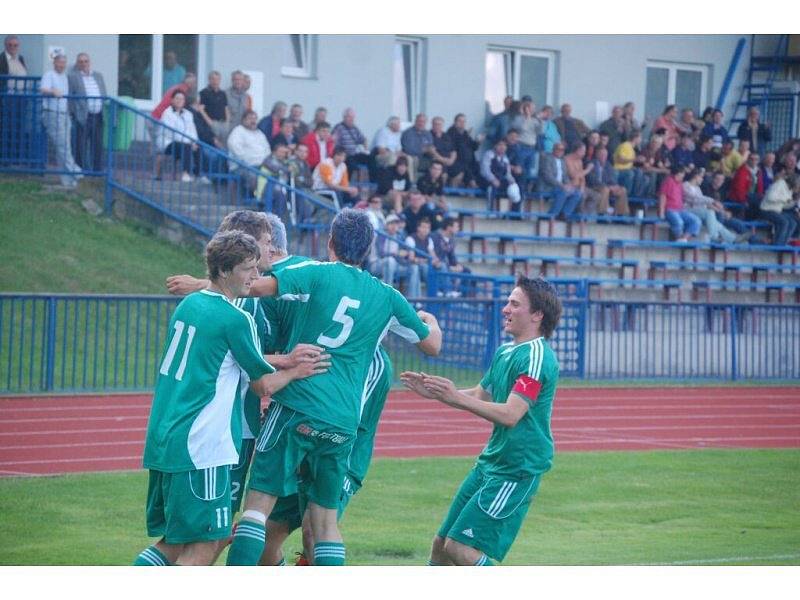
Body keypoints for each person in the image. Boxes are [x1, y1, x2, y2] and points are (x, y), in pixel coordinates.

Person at [225, 209, 442, 567]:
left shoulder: (315, 272)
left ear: (330, 243)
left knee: (256, 510)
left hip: (296, 405)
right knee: (325, 525)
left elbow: (254, 286)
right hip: (342, 420)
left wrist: (202, 286)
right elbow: (431, 346)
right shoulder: (387, 296)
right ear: (369, 249)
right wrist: (432, 324)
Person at [134, 230, 325, 567]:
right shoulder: (237, 319)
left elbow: (224, 359)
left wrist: (282, 361)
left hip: (167, 436)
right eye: (248, 268)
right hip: (200, 446)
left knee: (177, 543)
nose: (256, 276)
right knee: (202, 547)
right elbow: (263, 386)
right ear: (224, 271)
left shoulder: (190, 304)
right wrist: (296, 371)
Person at [401, 275, 562, 566]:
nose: (505, 309)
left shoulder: (537, 357)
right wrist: (437, 393)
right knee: (441, 544)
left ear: (537, 315)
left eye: (515, 304)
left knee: (461, 549)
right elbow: (480, 393)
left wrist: (453, 396)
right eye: (507, 302)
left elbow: (512, 414)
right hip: (491, 462)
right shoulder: (505, 351)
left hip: (516, 468)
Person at [39, 52, 81, 188]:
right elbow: (42, 89)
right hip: (52, 114)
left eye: (64, 62)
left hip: (64, 114)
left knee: (63, 147)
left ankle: (67, 181)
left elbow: (78, 66)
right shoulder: (49, 74)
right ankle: (77, 172)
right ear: (54, 63)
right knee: (63, 146)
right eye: (59, 62)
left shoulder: (65, 76)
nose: (62, 65)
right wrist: (52, 92)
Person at [682, 168, 743, 244]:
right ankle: (714, 237)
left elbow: (703, 203)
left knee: (716, 223)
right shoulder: (685, 185)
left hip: (698, 211)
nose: (702, 179)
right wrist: (713, 201)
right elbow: (694, 199)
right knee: (709, 212)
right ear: (696, 176)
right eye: (701, 177)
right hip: (686, 210)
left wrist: (719, 209)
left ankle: (733, 239)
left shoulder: (697, 188)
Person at [68, 53, 106, 172]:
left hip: (98, 115)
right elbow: (70, 97)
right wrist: (74, 113)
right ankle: (81, 170)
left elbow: (103, 93)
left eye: (86, 61)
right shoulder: (73, 77)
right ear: (77, 63)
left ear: (89, 62)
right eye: (81, 61)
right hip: (83, 116)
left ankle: (96, 171)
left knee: (97, 144)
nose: (83, 64)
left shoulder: (98, 76)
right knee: (80, 145)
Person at [371, 213, 422, 298]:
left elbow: (402, 255)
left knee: (414, 267)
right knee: (390, 261)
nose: (394, 226)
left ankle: (414, 300)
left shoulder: (399, 237)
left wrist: (406, 255)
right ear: (386, 225)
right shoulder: (381, 235)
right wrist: (395, 253)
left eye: (396, 224)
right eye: (391, 223)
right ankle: (388, 296)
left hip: (395, 265)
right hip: (377, 264)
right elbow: (381, 253)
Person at [226, 110, 270, 197]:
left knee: (275, 177)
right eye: (250, 118)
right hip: (242, 166)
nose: (253, 121)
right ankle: (260, 199)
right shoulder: (238, 131)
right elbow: (234, 146)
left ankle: (264, 198)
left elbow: (267, 150)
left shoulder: (260, 133)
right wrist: (247, 159)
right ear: (243, 120)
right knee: (255, 177)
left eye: (255, 119)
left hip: (261, 166)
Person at [158, 90, 199, 182]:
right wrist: (189, 142)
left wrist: (194, 142)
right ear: (172, 100)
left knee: (199, 147)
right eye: (177, 98)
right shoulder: (167, 113)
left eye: (182, 99)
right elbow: (171, 133)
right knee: (186, 146)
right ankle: (185, 174)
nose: (180, 100)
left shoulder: (189, 114)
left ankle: (198, 174)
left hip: (185, 143)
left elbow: (192, 130)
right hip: (168, 142)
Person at [538, 142, 582, 219]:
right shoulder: (547, 159)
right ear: (554, 149)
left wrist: (569, 185)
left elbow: (564, 176)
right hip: (549, 186)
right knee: (563, 192)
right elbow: (548, 176)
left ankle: (564, 214)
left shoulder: (562, 161)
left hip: (560, 186)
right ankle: (552, 215)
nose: (561, 151)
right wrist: (562, 185)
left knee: (577, 193)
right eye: (559, 149)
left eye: (563, 150)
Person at [658, 165, 700, 242]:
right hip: (670, 209)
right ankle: (679, 238)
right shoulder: (668, 181)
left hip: (680, 209)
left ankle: (683, 238)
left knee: (696, 220)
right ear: (677, 174)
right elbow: (663, 197)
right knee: (679, 222)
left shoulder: (680, 183)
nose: (684, 175)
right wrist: (661, 212)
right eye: (682, 173)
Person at [586, 146, 630, 216]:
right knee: (605, 189)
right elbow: (592, 180)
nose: (604, 157)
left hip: (606, 187)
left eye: (605, 155)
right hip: (594, 187)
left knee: (622, 190)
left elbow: (611, 179)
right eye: (602, 155)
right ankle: (602, 213)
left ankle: (620, 215)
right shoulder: (591, 163)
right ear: (597, 155)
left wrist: (615, 186)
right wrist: (608, 186)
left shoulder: (608, 165)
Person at [760, 169, 800, 246]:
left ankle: (784, 243)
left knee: (793, 223)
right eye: (798, 184)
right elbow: (770, 197)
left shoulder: (790, 190)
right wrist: (784, 199)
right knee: (784, 222)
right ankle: (777, 244)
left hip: (777, 211)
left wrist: (793, 201)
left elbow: (784, 206)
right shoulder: (780, 184)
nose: (798, 186)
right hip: (766, 210)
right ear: (794, 182)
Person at [480, 139, 520, 213]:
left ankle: (513, 212)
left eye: (504, 145)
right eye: (500, 145)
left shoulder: (505, 159)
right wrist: (493, 179)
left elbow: (508, 174)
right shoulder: (489, 154)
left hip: (500, 180)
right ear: (495, 146)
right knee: (492, 186)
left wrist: (511, 180)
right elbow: (485, 170)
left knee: (513, 187)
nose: (502, 147)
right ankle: (490, 210)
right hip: (487, 180)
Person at [332, 108, 370, 179]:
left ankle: (373, 181)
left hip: (354, 154)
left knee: (371, 159)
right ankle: (346, 184)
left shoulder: (355, 128)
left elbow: (363, 139)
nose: (351, 119)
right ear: (344, 117)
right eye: (349, 117)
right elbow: (333, 143)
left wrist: (366, 149)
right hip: (344, 155)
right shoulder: (338, 128)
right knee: (350, 164)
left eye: (353, 117)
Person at [564, 142, 600, 215]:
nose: (584, 153)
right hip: (571, 186)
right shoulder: (567, 159)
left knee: (597, 196)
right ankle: (578, 215)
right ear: (577, 150)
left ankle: (585, 215)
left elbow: (582, 177)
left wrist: (582, 187)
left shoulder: (579, 161)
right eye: (583, 151)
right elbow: (574, 175)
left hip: (579, 186)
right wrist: (588, 169)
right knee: (581, 195)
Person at [405, 216, 442, 288]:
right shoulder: (411, 238)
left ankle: (443, 291)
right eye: (424, 227)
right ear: (418, 228)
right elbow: (412, 259)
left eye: (428, 228)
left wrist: (437, 261)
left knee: (442, 266)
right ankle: (432, 291)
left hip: (424, 265)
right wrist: (428, 261)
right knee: (425, 267)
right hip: (410, 266)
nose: (426, 230)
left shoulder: (429, 239)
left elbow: (433, 256)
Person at [447, 113, 481, 187]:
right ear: (455, 122)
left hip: (469, 163)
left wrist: (478, 142)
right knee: (463, 174)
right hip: (456, 163)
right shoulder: (450, 132)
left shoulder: (465, 133)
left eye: (464, 121)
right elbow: (455, 147)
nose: (462, 123)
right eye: (460, 121)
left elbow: (473, 147)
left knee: (477, 170)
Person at [197, 70, 230, 145]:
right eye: (213, 79)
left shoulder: (223, 93)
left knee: (224, 147)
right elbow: (201, 109)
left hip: (223, 124)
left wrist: (227, 122)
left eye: (217, 79)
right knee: (214, 145)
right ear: (209, 80)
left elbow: (226, 108)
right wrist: (211, 123)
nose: (215, 81)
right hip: (212, 124)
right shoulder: (203, 93)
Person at [729, 151, 764, 219]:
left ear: (759, 161)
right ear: (748, 159)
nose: (754, 161)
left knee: (762, 202)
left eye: (756, 159)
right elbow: (739, 189)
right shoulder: (742, 170)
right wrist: (743, 200)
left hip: (753, 197)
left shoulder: (759, 171)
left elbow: (760, 187)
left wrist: (760, 196)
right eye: (751, 159)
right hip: (740, 197)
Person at [401, 113, 434, 182]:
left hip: (425, 158)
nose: (421, 123)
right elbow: (408, 150)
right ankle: (412, 183)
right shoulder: (408, 133)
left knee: (438, 164)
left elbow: (430, 146)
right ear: (415, 121)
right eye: (419, 121)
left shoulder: (427, 134)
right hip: (410, 156)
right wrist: (422, 150)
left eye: (423, 122)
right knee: (413, 159)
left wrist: (429, 150)